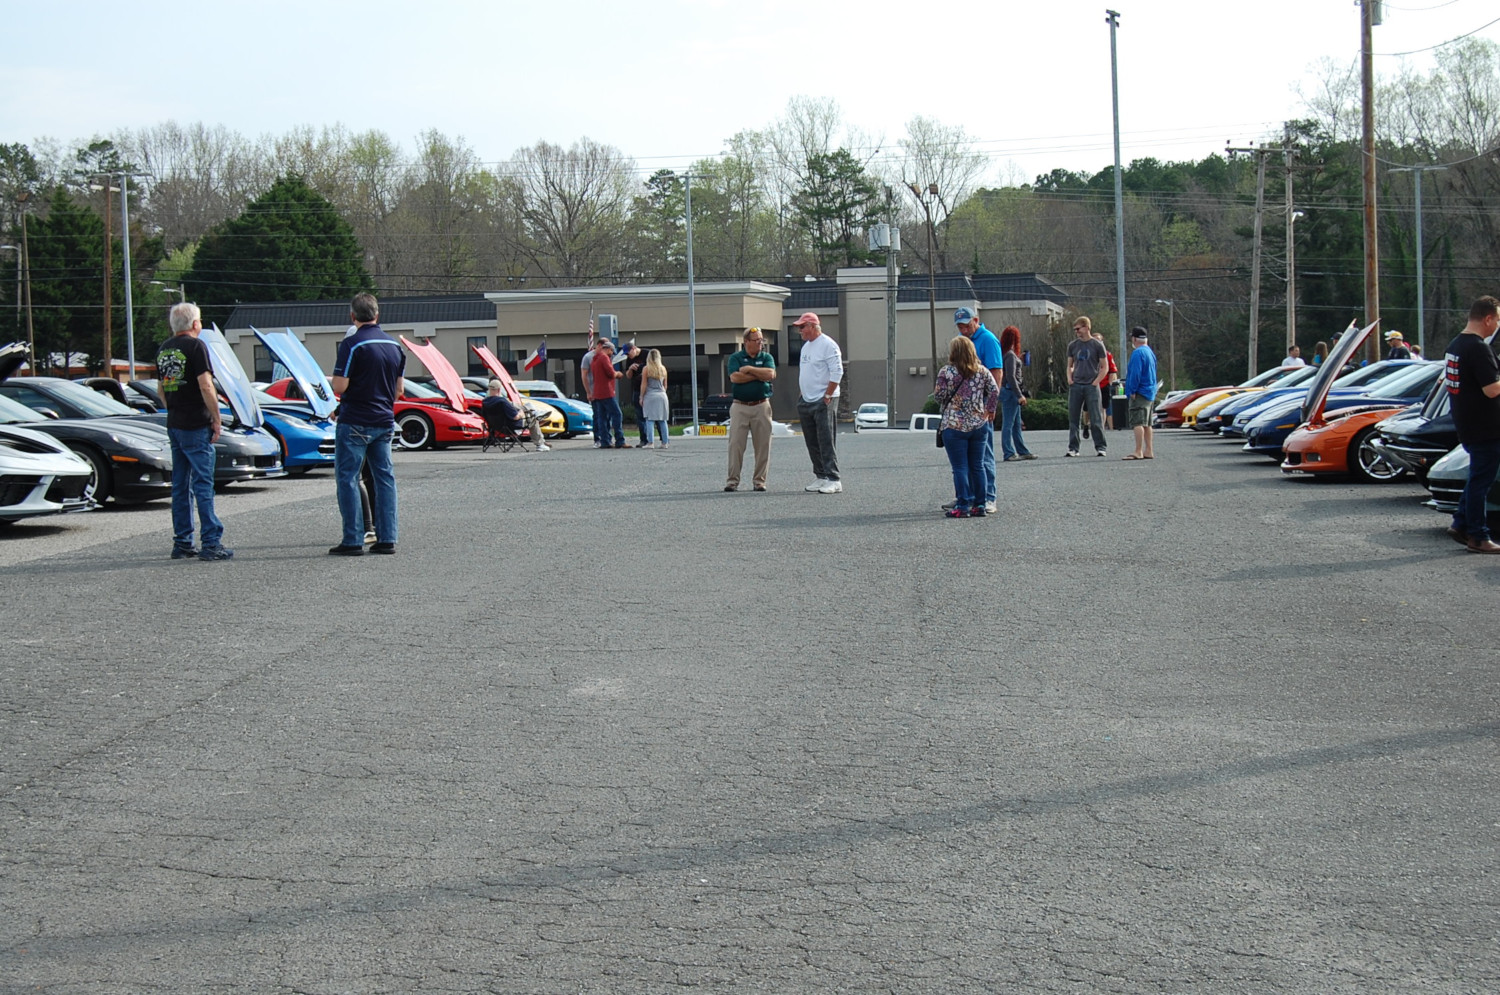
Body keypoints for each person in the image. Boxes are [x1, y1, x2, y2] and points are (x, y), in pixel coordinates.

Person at [329, 292, 404, 556]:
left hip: (356, 420)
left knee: (348, 477)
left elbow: (340, 386)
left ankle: (353, 539)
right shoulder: (394, 346)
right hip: (384, 419)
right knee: (384, 477)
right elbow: (398, 390)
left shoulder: (352, 345)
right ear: (377, 314)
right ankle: (387, 537)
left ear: (353, 316)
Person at [156, 301, 232, 561]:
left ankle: (183, 542)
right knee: (203, 484)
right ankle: (211, 543)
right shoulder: (197, 346)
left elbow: (161, 390)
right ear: (195, 324)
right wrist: (216, 417)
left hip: (174, 423)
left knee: (180, 485)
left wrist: (172, 409)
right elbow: (206, 385)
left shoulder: (164, 349)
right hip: (195, 423)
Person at [1442, 296, 1500, 553]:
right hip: (1486, 425)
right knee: (1481, 481)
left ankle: (1461, 523)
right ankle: (1478, 535)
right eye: (1497, 319)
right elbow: (1491, 389)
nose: (1497, 325)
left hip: (1467, 422)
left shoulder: (1456, 344)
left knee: (1477, 476)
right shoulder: (1478, 348)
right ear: (1488, 318)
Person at [934, 335, 999, 518]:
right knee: (977, 466)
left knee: (960, 467)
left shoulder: (946, 372)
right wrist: (990, 410)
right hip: (979, 424)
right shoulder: (982, 371)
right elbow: (994, 390)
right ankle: (980, 504)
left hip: (954, 425)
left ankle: (963, 505)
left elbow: (939, 396)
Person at [949, 307, 1002, 512]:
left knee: (983, 455)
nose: (963, 329)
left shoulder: (987, 339)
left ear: (976, 320)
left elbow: (996, 373)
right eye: (960, 326)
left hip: (981, 408)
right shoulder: (964, 341)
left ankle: (988, 496)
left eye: (966, 324)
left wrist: (991, 406)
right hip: (965, 410)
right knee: (966, 456)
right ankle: (968, 496)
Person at [792, 312, 844, 494]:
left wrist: (828, 395)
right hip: (806, 399)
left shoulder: (828, 345)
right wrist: (802, 394)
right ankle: (821, 475)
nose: (800, 331)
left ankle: (833, 478)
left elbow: (837, 372)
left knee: (826, 439)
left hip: (824, 399)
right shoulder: (806, 347)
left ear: (813, 326)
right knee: (811, 440)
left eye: (803, 327)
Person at [724, 327, 775, 490]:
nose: (760, 343)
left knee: (763, 445)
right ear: (746, 342)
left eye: (762, 340)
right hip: (740, 406)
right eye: (756, 340)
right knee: (736, 445)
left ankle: (759, 481)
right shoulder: (736, 358)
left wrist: (750, 370)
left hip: (761, 405)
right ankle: (732, 481)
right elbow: (735, 377)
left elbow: (770, 374)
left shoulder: (767, 357)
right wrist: (758, 376)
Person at [1065, 316, 1108, 457]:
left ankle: (1101, 446)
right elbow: (1069, 365)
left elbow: (1104, 367)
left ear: (1086, 327)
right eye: (1075, 329)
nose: (1077, 332)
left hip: (1091, 385)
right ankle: (1073, 448)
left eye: (1078, 328)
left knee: (1096, 418)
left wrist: (1096, 382)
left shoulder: (1097, 345)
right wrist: (1070, 379)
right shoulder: (1073, 345)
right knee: (1074, 418)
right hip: (1076, 385)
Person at [998, 325, 1035, 462]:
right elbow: (1012, 376)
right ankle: (1008, 452)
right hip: (1010, 392)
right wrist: (1019, 395)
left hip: (1008, 390)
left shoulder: (1006, 354)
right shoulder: (1010, 356)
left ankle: (1021, 450)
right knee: (1008, 424)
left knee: (1015, 423)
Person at [1122, 326, 1158, 460]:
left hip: (1140, 392)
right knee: (1147, 423)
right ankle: (1149, 450)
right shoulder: (1150, 352)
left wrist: (1131, 390)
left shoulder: (1138, 353)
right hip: (1150, 391)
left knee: (1137, 423)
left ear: (1134, 339)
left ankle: (1138, 451)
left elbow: (1135, 374)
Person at [482, 380, 549, 451]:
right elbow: (515, 417)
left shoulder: (485, 402)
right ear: (499, 389)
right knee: (534, 420)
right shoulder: (502, 401)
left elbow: (484, 416)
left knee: (524, 406)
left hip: (495, 427)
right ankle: (540, 445)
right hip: (511, 426)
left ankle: (535, 412)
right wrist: (521, 413)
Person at [590, 339, 626, 448]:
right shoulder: (604, 358)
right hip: (607, 391)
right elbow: (610, 373)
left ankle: (605, 441)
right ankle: (620, 440)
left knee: (602, 417)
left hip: (597, 392)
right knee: (617, 414)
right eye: (612, 352)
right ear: (609, 349)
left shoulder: (594, 359)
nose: (611, 355)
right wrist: (618, 374)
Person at [639, 349, 671, 449]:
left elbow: (644, 384)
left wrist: (641, 396)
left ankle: (650, 442)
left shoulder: (646, 369)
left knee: (649, 420)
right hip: (662, 395)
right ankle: (665, 442)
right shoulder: (663, 369)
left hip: (650, 395)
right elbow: (665, 385)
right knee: (663, 420)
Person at [621, 343, 652, 446]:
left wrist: (641, 366)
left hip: (649, 389)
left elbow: (654, 368)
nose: (628, 356)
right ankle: (643, 439)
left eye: (629, 353)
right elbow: (628, 376)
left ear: (634, 348)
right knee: (640, 416)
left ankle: (662, 438)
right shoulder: (629, 360)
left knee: (653, 416)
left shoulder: (647, 354)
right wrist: (630, 369)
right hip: (636, 389)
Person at [1093, 330, 1120, 429]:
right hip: (1090, 385)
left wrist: (1109, 383)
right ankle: (1088, 425)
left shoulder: (1107, 355)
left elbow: (1113, 371)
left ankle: (1101, 428)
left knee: (1103, 408)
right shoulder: (1088, 353)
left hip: (1103, 385)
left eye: (1099, 341)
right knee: (1089, 409)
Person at [580, 340, 601, 447]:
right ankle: (597, 439)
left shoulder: (607, 356)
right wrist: (588, 391)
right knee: (597, 415)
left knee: (607, 415)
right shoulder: (588, 357)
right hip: (594, 391)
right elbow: (584, 375)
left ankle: (607, 437)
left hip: (605, 391)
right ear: (599, 345)